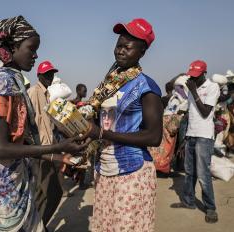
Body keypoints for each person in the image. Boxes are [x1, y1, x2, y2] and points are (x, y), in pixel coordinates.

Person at [0, 16, 89, 232]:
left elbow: (19, 141)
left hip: (12, 184)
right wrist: (59, 146)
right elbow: (2, 149)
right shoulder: (2, 83)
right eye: (31, 49)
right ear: (13, 47)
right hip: (2, 193)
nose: (35, 55)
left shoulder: (11, 81)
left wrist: (58, 156)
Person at [85, 18, 163, 231]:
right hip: (105, 169)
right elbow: (101, 124)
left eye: (127, 47)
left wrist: (102, 133)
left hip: (132, 172)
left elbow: (154, 137)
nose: (120, 51)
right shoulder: (109, 85)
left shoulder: (146, 87)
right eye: (118, 45)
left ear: (142, 52)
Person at [171, 60, 220, 223]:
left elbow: (206, 112)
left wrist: (194, 91)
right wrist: (185, 137)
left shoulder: (212, 87)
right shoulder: (191, 88)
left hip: (204, 137)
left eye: (196, 77)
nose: (193, 79)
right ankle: (188, 201)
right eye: (192, 76)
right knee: (189, 172)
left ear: (204, 74)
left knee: (203, 173)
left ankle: (211, 208)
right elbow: (191, 114)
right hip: (191, 134)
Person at [28, 60, 75, 226]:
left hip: (50, 148)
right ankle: (38, 225)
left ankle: (39, 225)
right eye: (46, 74)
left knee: (50, 192)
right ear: (39, 75)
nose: (50, 76)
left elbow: (50, 124)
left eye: (52, 73)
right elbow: (30, 122)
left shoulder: (48, 95)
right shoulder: (34, 92)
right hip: (41, 151)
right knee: (48, 192)